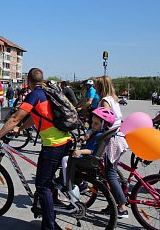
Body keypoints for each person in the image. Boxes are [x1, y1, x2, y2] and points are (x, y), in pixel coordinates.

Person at [0, 68, 72, 230]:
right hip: (65, 141)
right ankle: (51, 213)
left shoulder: (34, 95)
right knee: (48, 181)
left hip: (53, 145)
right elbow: (37, 117)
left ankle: (49, 227)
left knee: (42, 186)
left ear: (28, 81)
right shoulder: (48, 92)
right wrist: (20, 129)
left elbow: (15, 117)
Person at [95, 75, 128, 218]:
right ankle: (112, 204)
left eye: (97, 86)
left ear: (100, 87)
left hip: (111, 140)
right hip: (118, 137)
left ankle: (122, 207)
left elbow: (105, 121)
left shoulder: (105, 101)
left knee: (110, 174)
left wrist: (92, 131)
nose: (95, 88)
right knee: (108, 172)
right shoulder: (113, 99)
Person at [61, 107, 115, 189]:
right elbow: (89, 134)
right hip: (89, 159)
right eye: (92, 122)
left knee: (65, 159)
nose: (92, 125)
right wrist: (83, 138)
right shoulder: (100, 133)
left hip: (88, 159)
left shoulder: (99, 136)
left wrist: (80, 151)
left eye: (96, 123)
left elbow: (91, 150)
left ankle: (67, 183)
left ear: (104, 125)